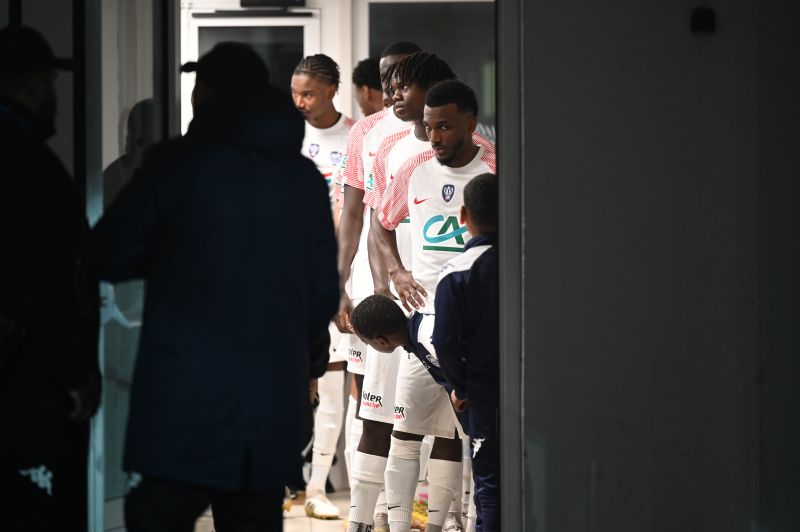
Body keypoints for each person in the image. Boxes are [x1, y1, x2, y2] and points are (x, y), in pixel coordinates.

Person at [89, 42, 339, 532]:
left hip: (182, 394)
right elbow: (321, 298)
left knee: (159, 516)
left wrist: (168, 259)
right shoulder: (302, 179)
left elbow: (107, 253)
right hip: (268, 401)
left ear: (206, 94)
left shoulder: (175, 165)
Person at [373, 80, 497, 532]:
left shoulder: (496, 167)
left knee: (473, 438)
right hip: (426, 318)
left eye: (444, 126)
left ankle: (458, 522)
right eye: (428, 127)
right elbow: (381, 221)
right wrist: (397, 271)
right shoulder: (414, 168)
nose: (435, 137)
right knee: (406, 429)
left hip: (480, 324)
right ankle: (398, 523)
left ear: (470, 122)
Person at [0, 25, 101, 531]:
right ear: (34, 86)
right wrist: (73, 370)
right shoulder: (27, 162)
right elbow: (41, 275)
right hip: (28, 369)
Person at [335, 40, 421, 532]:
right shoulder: (367, 132)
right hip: (376, 284)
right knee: (372, 401)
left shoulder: (440, 128)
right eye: (386, 78)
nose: (392, 86)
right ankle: (368, 514)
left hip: (428, 281)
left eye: (402, 77)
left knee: (426, 400)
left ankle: (416, 508)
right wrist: (339, 281)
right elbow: (354, 214)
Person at [291, 53, 354, 520]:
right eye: (295, 93)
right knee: (298, 384)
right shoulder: (289, 138)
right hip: (294, 279)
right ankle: (290, 480)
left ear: (332, 90)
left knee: (334, 385)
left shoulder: (356, 136)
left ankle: (318, 488)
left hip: (341, 275)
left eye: (309, 93)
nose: (300, 102)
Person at [433, 173, 499, 532]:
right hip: (537, 387)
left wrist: (459, 387)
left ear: (463, 215)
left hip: (483, 393)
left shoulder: (456, 271)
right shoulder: (529, 262)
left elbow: (443, 340)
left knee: (489, 483)